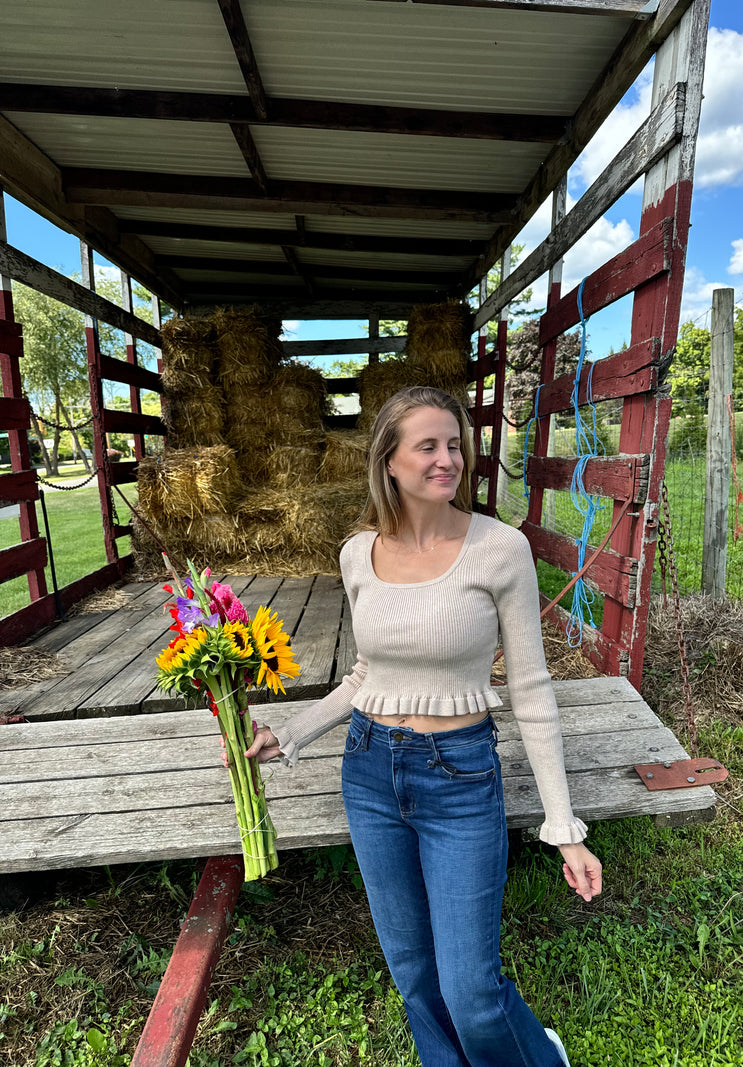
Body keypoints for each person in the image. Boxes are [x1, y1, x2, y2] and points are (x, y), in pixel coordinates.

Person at [242, 385, 602, 1067]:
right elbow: (366, 673)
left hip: (459, 776)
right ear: (390, 462)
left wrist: (563, 826)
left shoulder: (500, 549)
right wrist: (290, 734)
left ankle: (536, 1055)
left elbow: (529, 687)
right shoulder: (357, 554)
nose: (449, 459)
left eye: (455, 443)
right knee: (414, 975)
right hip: (370, 770)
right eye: (428, 445)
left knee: (471, 990)